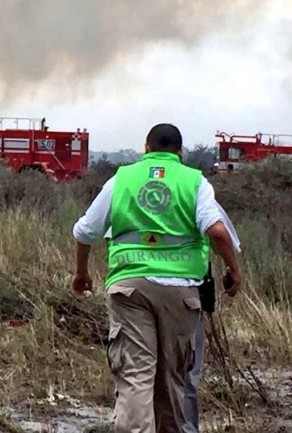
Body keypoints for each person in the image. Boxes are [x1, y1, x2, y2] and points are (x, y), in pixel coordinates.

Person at [71, 123, 242, 433]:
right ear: (180, 152)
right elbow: (217, 231)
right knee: (172, 378)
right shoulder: (195, 182)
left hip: (130, 289)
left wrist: (82, 274)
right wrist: (234, 270)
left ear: (146, 147)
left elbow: (84, 231)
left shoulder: (121, 179)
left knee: (136, 375)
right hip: (180, 294)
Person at [184, 212, 241, 432]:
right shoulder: (193, 187)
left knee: (141, 373)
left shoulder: (125, 185)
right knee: (186, 371)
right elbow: (222, 237)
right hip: (186, 293)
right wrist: (233, 270)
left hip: (134, 290)